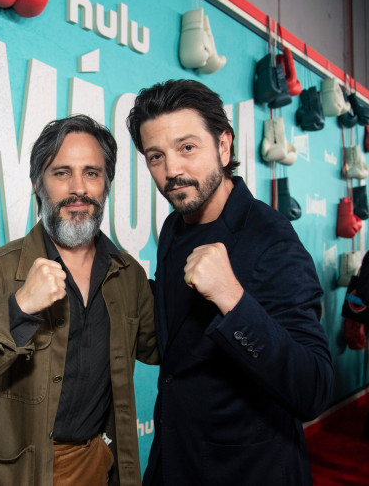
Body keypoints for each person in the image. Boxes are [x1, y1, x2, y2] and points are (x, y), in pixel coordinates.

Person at [126, 79, 334, 485]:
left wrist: (232, 299)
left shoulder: (270, 238)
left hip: (246, 472)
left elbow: (315, 389)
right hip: (175, 461)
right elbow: (181, 343)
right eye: (156, 156)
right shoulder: (174, 226)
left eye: (187, 148)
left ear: (223, 146)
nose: (172, 171)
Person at [0, 114, 158, 485]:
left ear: (106, 184)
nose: (78, 188)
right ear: (38, 183)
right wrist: (19, 308)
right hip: (10, 475)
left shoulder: (128, 275)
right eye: (61, 173)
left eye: (91, 173)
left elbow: (159, 347)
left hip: (93, 466)